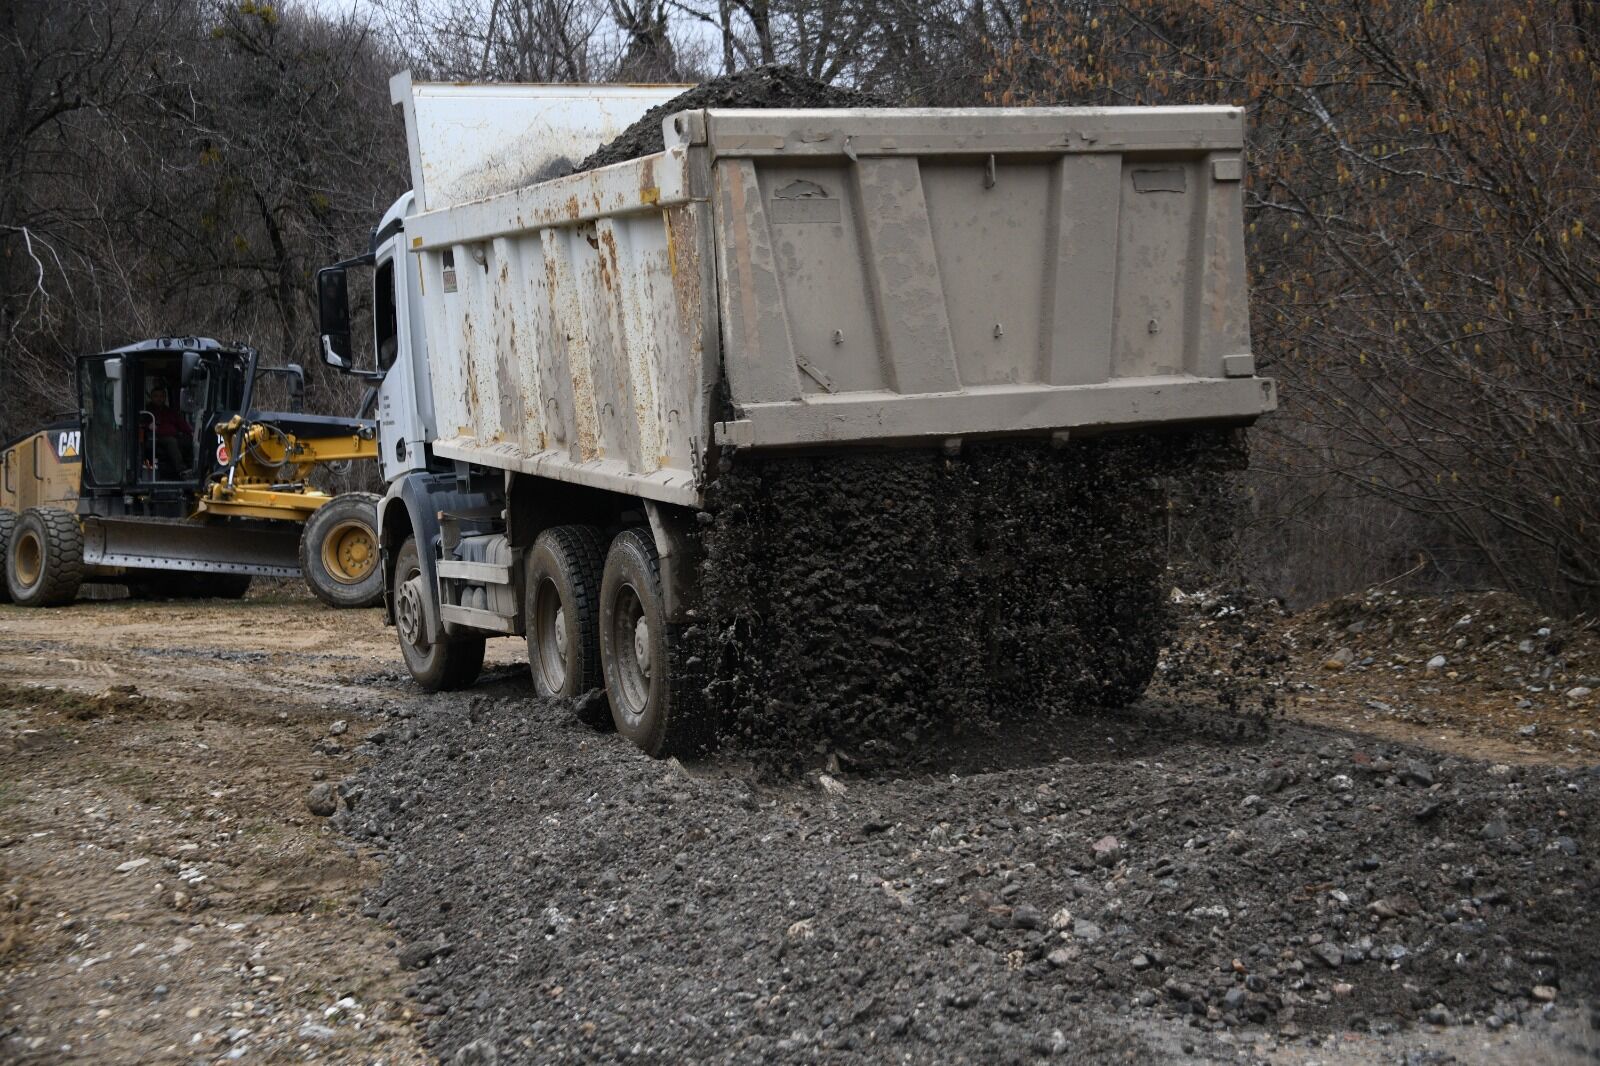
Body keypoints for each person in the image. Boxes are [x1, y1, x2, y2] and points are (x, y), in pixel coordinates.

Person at [147, 384, 193, 478]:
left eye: (161, 396)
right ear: (151, 397)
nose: (159, 399)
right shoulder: (148, 411)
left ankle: (191, 467)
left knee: (188, 440)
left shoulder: (170, 411)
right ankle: (182, 470)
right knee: (171, 442)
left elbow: (181, 423)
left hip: (174, 436)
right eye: (156, 396)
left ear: (165, 398)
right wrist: (148, 426)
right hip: (158, 438)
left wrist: (190, 432)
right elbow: (141, 423)